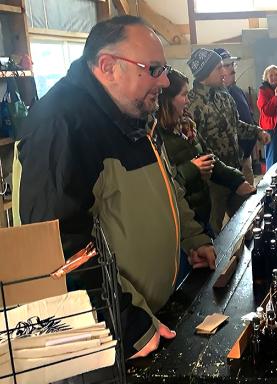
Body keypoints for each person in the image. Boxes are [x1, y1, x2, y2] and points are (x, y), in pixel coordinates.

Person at [12, 16, 216, 359]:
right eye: (153, 69)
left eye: (164, 69)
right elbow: (59, 249)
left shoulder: (133, 113)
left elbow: (166, 186)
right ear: (108, 66)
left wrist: (192, 237)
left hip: (149, 316)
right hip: (110, 342)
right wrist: (124, 323)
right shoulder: (62, 125)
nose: (165, 81)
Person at [157, 68, 256, 230]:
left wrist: (237, 181)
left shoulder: (186, 125)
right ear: (168, 100)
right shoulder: (157, 136)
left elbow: (208, 157)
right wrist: (192, 168)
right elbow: (163, 184)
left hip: (200, 212)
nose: (188, 100)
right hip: (181, 223)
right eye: (183, 95)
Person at [187, 48, 270, 234]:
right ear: (205, 73)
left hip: (235, 172)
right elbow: (192, 147)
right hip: (212, 183)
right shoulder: (191, 104)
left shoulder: (224, 95)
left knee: (248, 225)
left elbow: (235, 125)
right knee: (213, 232)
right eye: (218, 68)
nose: (224, 72)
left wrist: (257, 132)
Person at [215, 47, 257, 185]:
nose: (232, 69)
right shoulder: (215, 97)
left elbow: (244, 120)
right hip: (230, 163)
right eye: (226, 66)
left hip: (245, 157)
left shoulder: (236, 90)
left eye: (232, 65)